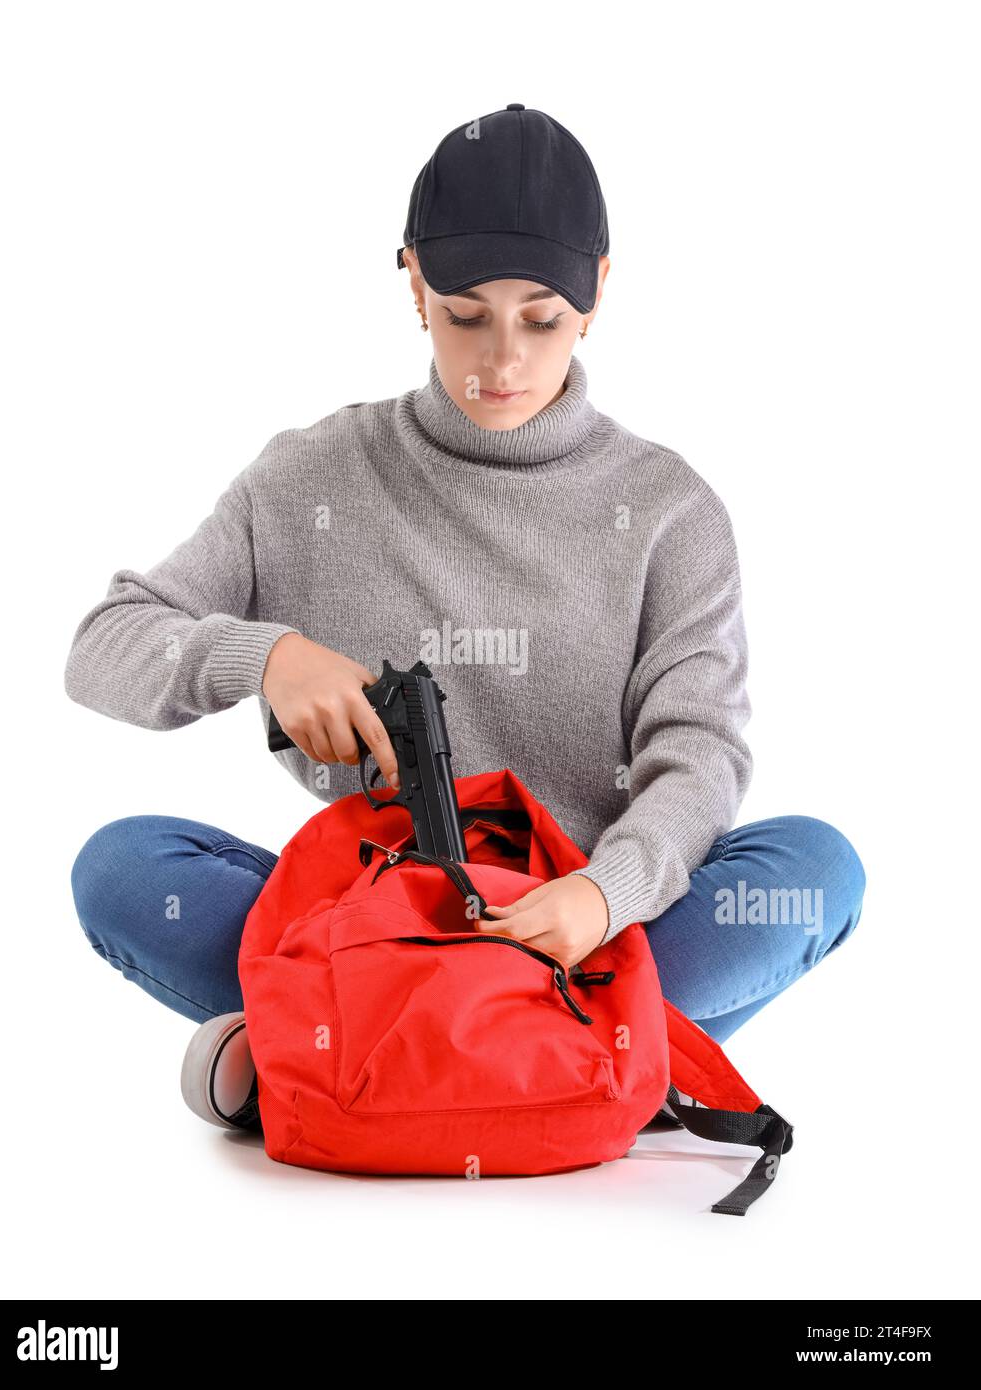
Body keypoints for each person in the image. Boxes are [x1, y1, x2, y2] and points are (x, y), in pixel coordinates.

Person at [66, 104, 866, 1132]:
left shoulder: (670, 512)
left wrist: (605, 894)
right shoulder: (309, 477)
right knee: (125, 864)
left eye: (541, 318)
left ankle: (350, 1059)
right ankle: (584, 1065)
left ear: (599, 293)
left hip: (588, 931)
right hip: (378, 920)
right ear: (411, 282)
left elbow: (699, 756)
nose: (503, 360)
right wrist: (260, 657)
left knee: (817, 868)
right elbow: (102, 646)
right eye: (464, 314)